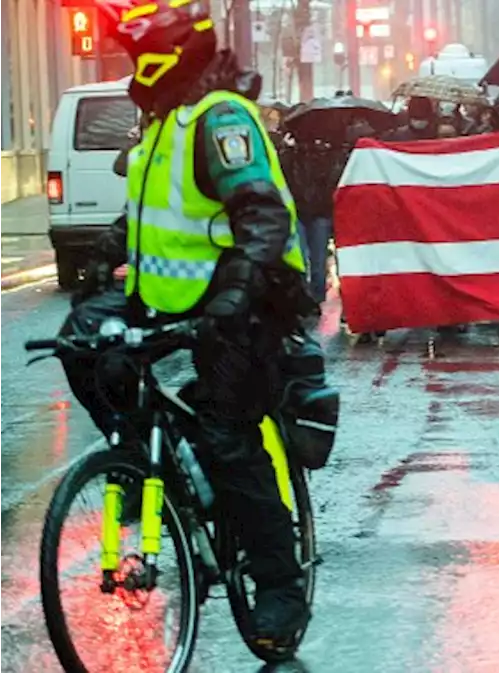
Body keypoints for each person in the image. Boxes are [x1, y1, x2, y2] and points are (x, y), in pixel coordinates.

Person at [68, 0, 315, 644]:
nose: (134, 68)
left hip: (247, 305)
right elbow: (150, 215)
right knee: (86, 345)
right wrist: (105, 257)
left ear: (172, 57)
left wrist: (234, 297)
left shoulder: (219, 119)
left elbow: (262, 218)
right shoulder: (163, 123)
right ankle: (147, 463)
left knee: (229, 442)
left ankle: (280, 587)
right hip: (172, 302)